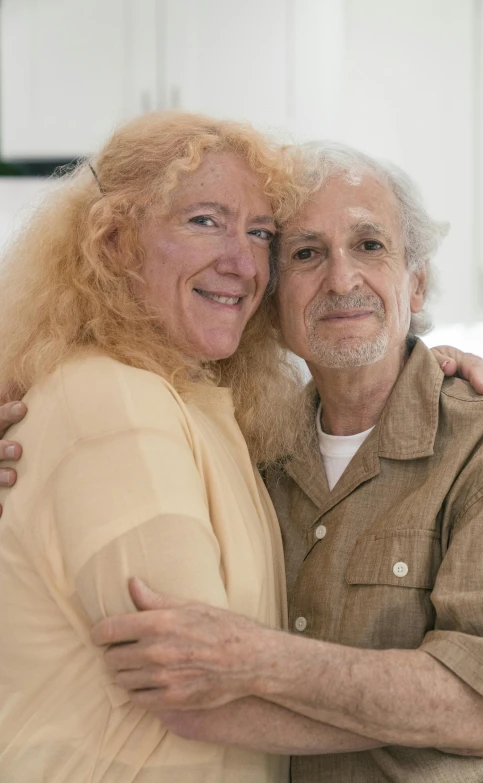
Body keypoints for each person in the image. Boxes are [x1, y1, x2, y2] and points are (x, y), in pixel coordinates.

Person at [0, 128, 483, 781]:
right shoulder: (250, 442)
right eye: (304, 253)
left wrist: (257, 659)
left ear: (416, 286)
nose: (341, 278)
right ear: (273, 301)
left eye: (369, 245)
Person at [0, 110, 311, 783]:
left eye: (261, 233)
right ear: (114, 241)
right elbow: (202, 683)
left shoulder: (194, 399)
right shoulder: (114, 401)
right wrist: (445, 710)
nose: (243, 262)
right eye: (204, 220)